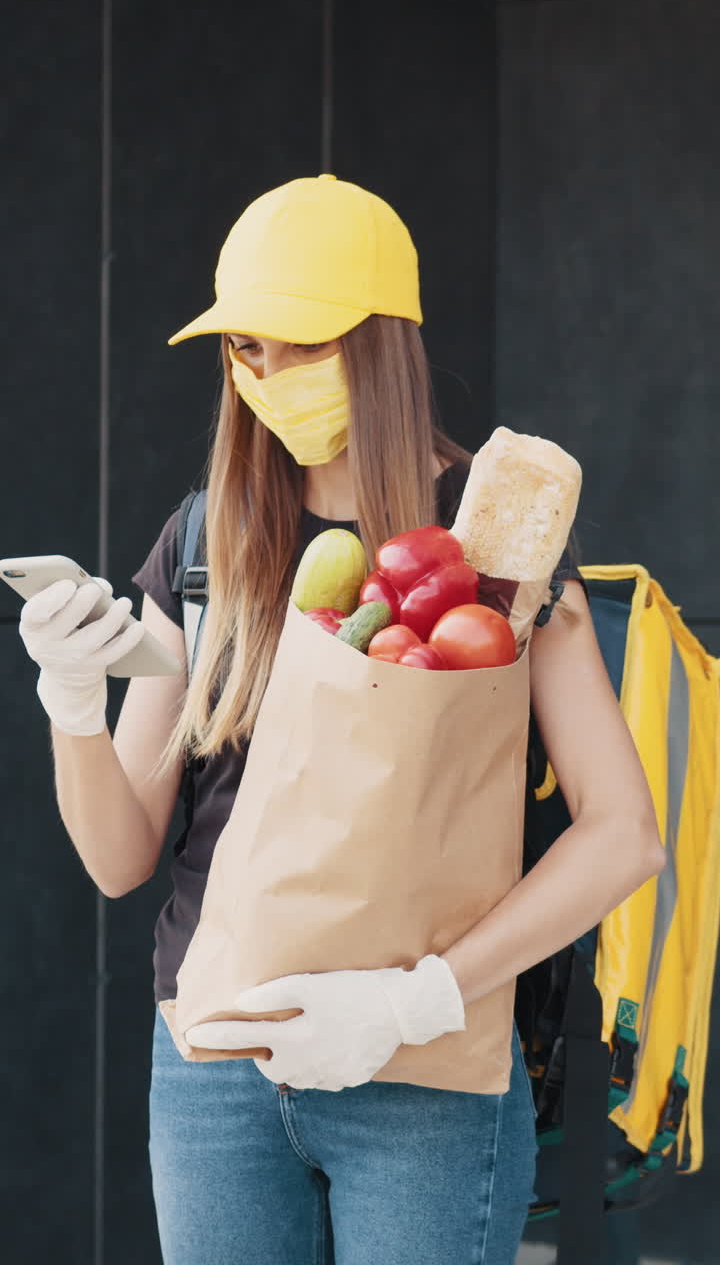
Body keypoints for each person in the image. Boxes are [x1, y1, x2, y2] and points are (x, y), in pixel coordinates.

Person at [18, 174, 665, 1265]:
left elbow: (624, 833)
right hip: (214, 1059)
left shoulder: (498, 537)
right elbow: (119, 855)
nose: (263, 374)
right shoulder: (202, 542)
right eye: (244, 348)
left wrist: (417, 1000)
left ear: (381, 341)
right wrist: (73, 706)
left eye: (296, 343)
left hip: (421, 1072)